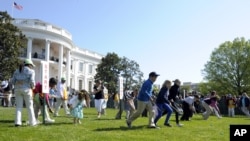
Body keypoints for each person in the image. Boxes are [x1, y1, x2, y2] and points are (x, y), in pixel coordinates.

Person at [12, 59, 37, 127]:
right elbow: (32, 81)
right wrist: (33, 87)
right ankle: (32, 123)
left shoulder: (16, 71)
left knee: (19, 107)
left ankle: (17, 122)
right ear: (29, 65)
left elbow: (12, 81)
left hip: (17, 90)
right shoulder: (31, 71)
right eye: (31, 65)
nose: (32, 67)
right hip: (27, 89)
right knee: (30, 107)